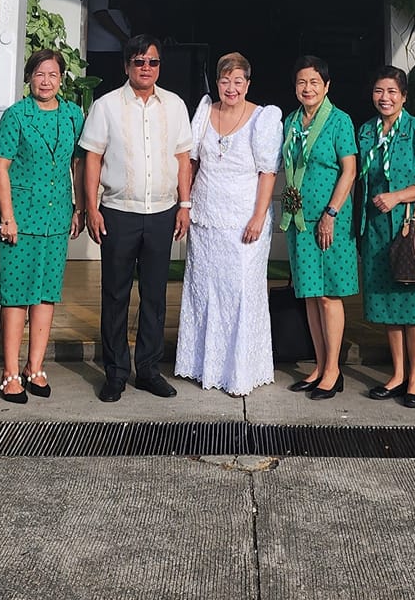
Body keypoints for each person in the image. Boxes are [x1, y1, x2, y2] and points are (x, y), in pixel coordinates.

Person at [80, 34, 194, 402]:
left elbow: (182, 158)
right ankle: (115, 372)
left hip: (162, 212)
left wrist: (184, 205)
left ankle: (148, 370)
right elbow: (92, 158)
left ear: (160, 66)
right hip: (118, 212)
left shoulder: (175, 105)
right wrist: (92, 207)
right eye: (139, 61)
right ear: (126, 65)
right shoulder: (107, 105)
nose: (146, 68)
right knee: (115, 295)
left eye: (153, 62)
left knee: (155, 296)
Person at [174, 52, 282, 394]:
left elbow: (268, 172)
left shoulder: (263, 118)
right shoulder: (205, 110)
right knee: (203, 290)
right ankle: (201, 365)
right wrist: (186, 204)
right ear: (216, 83)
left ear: (248, 84)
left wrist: (258, 215)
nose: (231, 88)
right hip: (206, 216)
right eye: (225, 81)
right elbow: (189, 162)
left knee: (240, 293)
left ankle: (240, 371)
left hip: (244, 219)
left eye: (238, 82)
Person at [0, 47, 84, 404]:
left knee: (46, 294)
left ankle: (36, 366)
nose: (46, 81)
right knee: (16, 297)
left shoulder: (74, 114)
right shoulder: (16, 116)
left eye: (53, 75)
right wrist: (7, 216)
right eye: (40, 74)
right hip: (21, 218)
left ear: (61, 79)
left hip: (56, 217)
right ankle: (10, 371)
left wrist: (78, 206)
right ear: (29, 78)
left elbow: (77, 164)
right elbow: (0, 167)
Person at [357, 66, 415, 409]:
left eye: (392, 92)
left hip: (412, 228)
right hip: (378, 229)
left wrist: (399, 196)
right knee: (388, 304)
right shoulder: (366, 132)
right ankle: (396, 374)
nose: (385, 98)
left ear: (404, 96)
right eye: (379, 91)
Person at [279, 54, 359, 399]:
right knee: (309, 295)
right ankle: (319, 364)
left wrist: (331, 212)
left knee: (328, 296)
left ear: (326, 86)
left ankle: (334, 370)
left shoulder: (339, 121)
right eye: (301, 82)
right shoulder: (292, 122)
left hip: (329, 219)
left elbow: (350, 170)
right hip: (299, 219)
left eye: (314, 82)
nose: (307, 88)